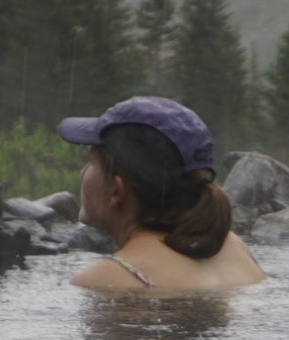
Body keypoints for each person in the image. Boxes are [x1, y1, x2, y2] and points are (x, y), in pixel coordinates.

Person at [58, 95, 265, 292]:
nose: (82, 172)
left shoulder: (107, 280)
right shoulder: (232, 247)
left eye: (91, 163)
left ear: (116, 189)